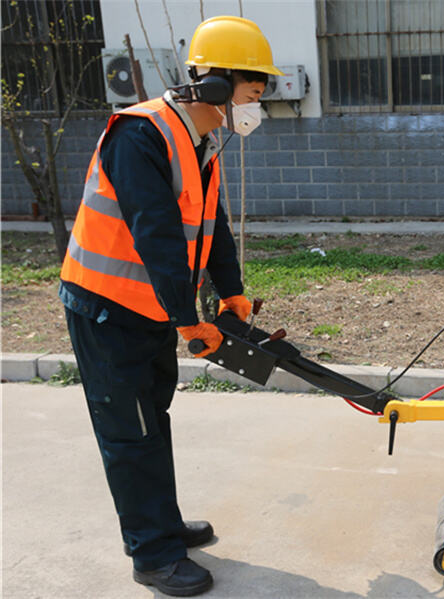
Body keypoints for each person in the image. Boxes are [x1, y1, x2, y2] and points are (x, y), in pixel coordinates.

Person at [59, 16, 283, 597]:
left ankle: (162, 524)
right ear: (213, 87)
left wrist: (229, 290)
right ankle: (152, 556)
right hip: (107, 308)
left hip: (149, 306)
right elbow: (155, 234)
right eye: (251, 94)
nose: (256, 107)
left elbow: (212, 227)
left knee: (151, 418)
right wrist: (189, 320)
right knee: (130, 432)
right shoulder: (141, 136)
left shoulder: (199, 140)